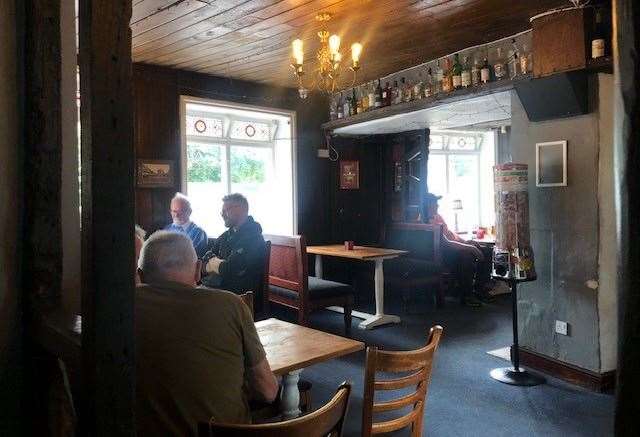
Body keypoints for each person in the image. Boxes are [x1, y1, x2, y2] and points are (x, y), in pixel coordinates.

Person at [136, 231, 278, 436]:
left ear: (140, 275)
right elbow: (268, 391)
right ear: (197, 271)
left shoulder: (119, 310)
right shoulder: (231, 305)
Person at [423, 193, 492, 306]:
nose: (437, 206)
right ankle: (467, 296)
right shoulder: (428, 224)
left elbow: (450, 234)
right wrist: (471, 248)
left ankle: (480, 289)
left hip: (455, 246)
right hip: (445, 253)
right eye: (434, 203)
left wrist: (466, 242)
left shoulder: (438, 217)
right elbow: (447, 243)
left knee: (487, 251)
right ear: (428, 205)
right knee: (467, 256)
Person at [201, 193, 266, 312]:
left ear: (239, 210)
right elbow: (204, 263)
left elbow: (228, 268)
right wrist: (218, 265)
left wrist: (214, 264)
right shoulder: (226, 235)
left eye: (225, 210)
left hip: (238, 296)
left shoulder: (253, 237)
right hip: (217, 289)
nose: (222, 215)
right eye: (221, 212)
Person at [164, 193, 208, 258]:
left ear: (189, 212)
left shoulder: (199, 233)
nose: (176, 215)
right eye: (174, 211)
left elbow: (188, 256)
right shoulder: (167, 229)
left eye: (180, 211)